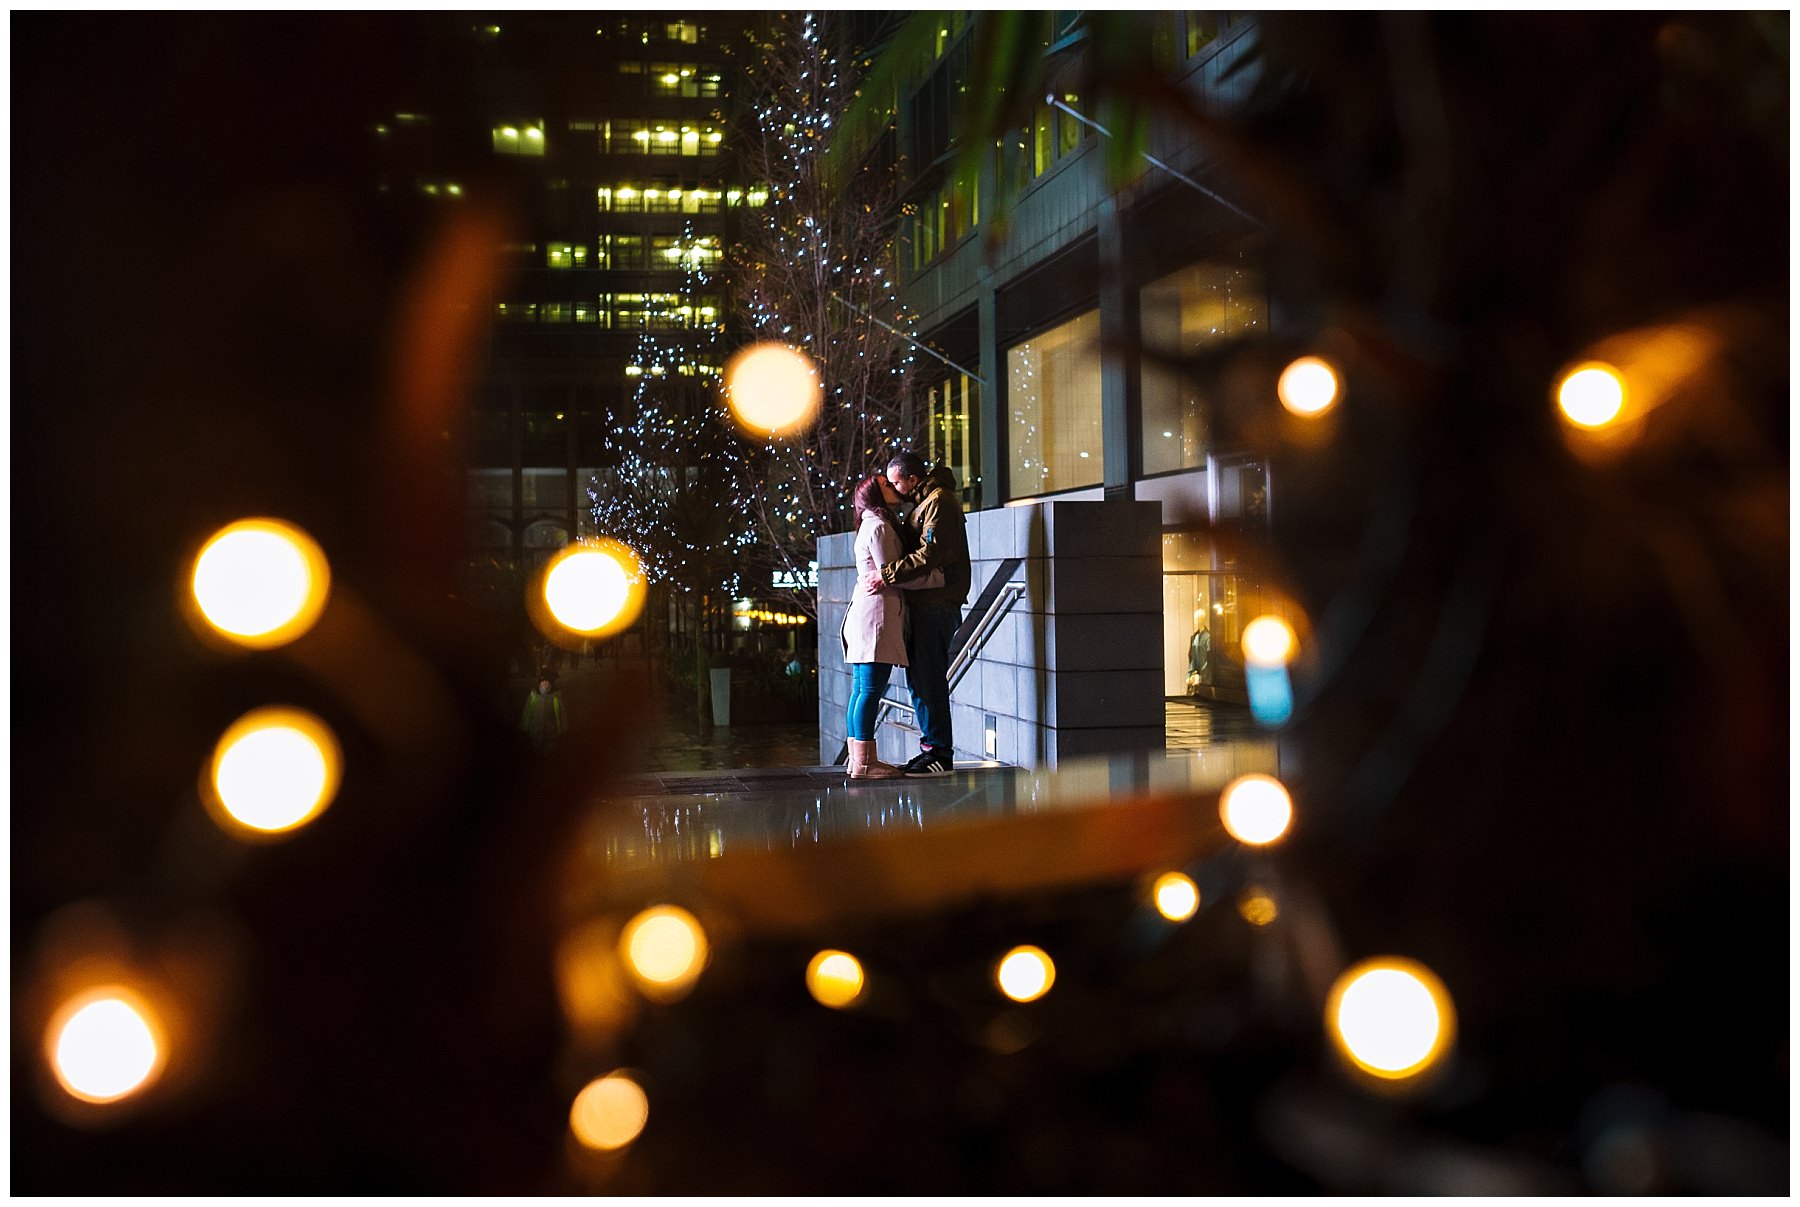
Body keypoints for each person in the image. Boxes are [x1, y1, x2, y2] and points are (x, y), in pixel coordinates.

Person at [864, 451, 970, 777]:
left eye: (896, 482)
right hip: (929, 605)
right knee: (922, 682)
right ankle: (931, 749)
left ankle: (939, 753)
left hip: (937, 606)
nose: (895, 489)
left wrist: (887, 574)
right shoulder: (925, 503)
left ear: (912, 479)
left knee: (928, 681)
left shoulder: (938, 502)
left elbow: (929, 554)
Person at [840, 475, 942, 779]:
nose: (893, 488)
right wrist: (938, 578)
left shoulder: (869, 524)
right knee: (870, 689)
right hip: (876, 617)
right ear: (875, 494)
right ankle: (864, 762)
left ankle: (856, 759)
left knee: (861, 689)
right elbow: (895, 574)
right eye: (886, 484)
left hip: (867, 614)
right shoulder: (881, 527)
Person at [519, 674, 566, 750]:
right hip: (535, 733)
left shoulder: (555, 697)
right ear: (539, 683)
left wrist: (564, 728)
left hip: (550, 734)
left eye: (546, 681)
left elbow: (561, 713)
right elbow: (527, 712)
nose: (544, 683)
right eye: (542, 681)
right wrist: (524, 727)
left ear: (550, 683)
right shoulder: (533, 697)